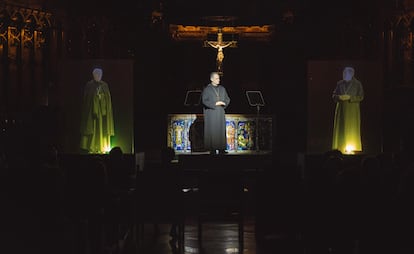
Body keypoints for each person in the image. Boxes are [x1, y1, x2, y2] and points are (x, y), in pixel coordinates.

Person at [80, 67, 114, 154]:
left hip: (102, 113)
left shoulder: (104, 85)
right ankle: (91, 147)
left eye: (99, 74)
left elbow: (108, 100)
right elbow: (86, 99)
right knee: (92, 129)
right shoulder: (89, 85)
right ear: (93, 75)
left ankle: (103, 147)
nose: (97, 76)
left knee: (102, 129)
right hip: (92, 113)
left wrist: (101, 97)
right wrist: (94, 97)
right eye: (96, 74)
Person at [332, 67, 364, 154]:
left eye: (346, 73)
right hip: (341, 110)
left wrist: (350, 97)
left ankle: (352, 149)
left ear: (352, 74)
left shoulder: (357, 84)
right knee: (341, 130)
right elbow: (334, 95)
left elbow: (361, 97)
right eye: (344, 73)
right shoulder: (340, 83)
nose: (344, 75)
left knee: (351, 129)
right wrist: (339, 97)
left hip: (352, 111)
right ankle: (339, 148)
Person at [201, 72, 230, 155]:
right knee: (212, 131)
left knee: (220, 131)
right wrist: (215, 103)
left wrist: (224, 103)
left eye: (219, 78)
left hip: (220, 113)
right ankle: (212, 149)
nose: (219, 80)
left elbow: (227, 99)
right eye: (217, 78)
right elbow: (204, 101)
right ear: (211, 79)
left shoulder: (222, 88)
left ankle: (221, 148)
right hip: (211, 114)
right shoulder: (207, 89)